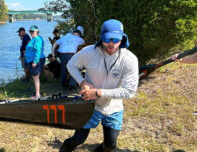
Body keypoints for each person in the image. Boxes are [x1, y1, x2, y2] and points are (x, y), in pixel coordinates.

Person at [60, 19, 139, 152]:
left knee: (110, 145)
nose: (111, 44)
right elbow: (71, 65)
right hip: (89, 105)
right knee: (78, 139)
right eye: (107, 40)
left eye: (116, 40)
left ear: (122, 39)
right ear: (101, 38)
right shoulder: (89, 52)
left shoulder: (129, 59)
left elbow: (129, 91)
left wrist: (98, 93)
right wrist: (82, 82)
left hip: (113, 107)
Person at [25, 25, 46, 100]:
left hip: (36, 60)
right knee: (35, 77)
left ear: (37, 31)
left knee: (35, 77)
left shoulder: (37, 39)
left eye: (33, 31)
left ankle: (37, 95)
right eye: (30, 31)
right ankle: (37, 92)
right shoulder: (34, 39)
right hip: (32, 60)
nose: (31, 33)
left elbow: (38, 51)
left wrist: (35, 61)